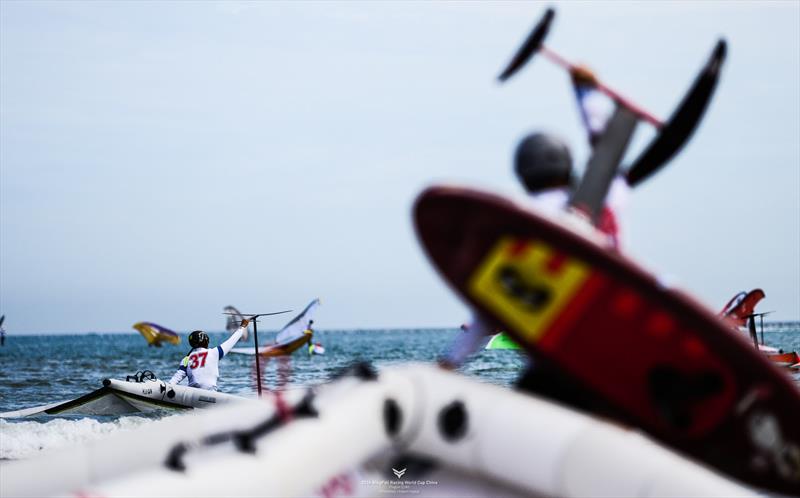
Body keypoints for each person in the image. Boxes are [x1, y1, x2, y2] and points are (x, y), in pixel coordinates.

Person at [168, 317, 250, 391]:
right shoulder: (215, 352)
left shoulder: (186, 359)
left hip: (192, 393)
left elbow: (177, 378)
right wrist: (242, 327)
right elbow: (232, 340)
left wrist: (167, 387)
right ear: (206, 341)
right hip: (210, 393)